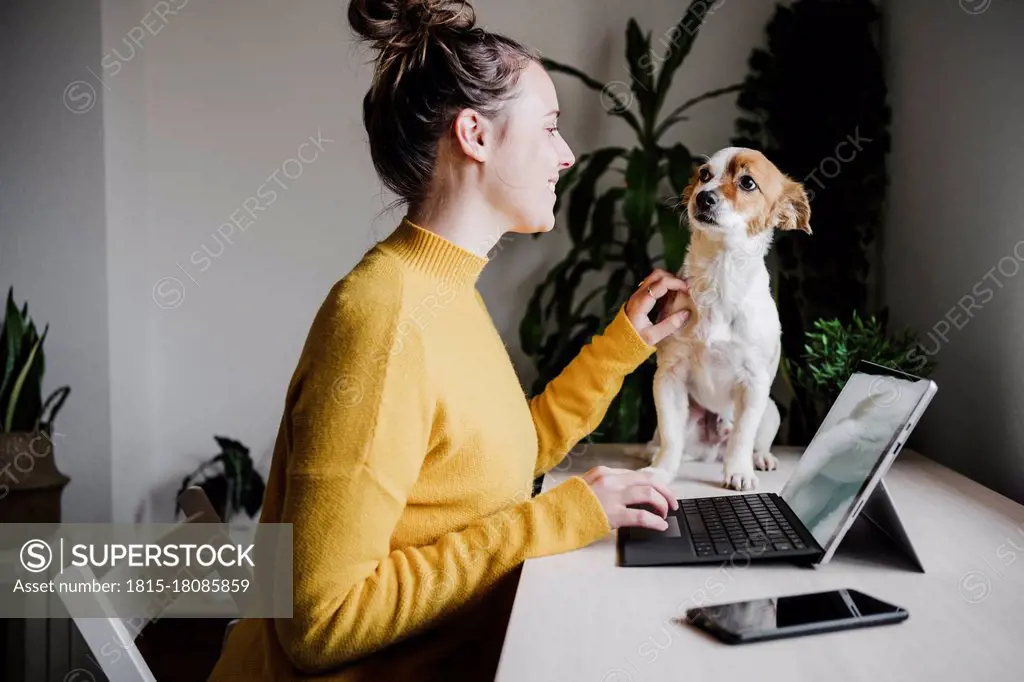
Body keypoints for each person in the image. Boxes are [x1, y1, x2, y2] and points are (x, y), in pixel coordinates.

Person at [207, 1, 692, 680]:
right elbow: (321, 623)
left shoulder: (444, 292)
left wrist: (621, 345)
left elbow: (489, 467)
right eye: (549, 128)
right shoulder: (383, 318)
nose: (566, 153)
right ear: (475, 135)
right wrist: (553, 521)